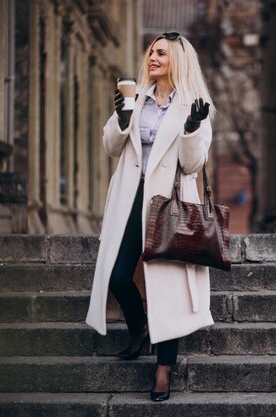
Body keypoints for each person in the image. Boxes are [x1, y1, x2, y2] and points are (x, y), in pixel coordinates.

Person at [85, 32, 216, 402]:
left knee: (168, 288)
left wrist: (191, 129)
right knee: (117, 274)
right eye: (151, 52)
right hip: (130, 196)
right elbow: (112, 148)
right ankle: (139, 327)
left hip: (169, 202)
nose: (152, 58)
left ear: (177, 60)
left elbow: (192, 165)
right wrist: (122, 115)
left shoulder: (195, 104)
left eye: (161, 53)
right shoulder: (136, 99)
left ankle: (163, 370)